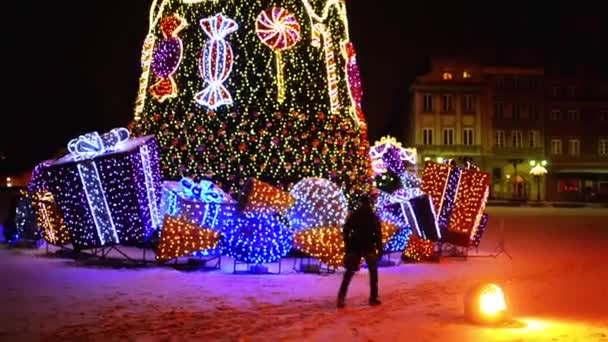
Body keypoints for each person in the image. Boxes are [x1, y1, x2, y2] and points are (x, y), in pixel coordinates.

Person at [337, 194, 383, 308]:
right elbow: (377, 233)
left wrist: (348, 243)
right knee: (373, 273)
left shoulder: (355, 215)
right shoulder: (372, 216)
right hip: (368, 245)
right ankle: (373, 297)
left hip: (355, 245)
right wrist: (379, 247)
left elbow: (346, 229)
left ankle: (341, 297)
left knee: (349, 273)